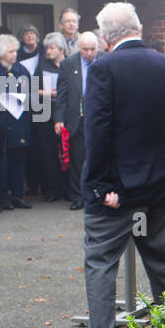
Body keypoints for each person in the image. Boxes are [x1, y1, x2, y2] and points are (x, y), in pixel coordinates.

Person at [68, 2, 165, 328]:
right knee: (160, 258)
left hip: (117, 192)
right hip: (161, 186)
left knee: (101, 263)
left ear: (105, 37)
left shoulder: (104, 67)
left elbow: (97, 131)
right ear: (138, 26)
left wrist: (99, 184)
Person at [0, 34, 33, 212]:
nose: (14, 55)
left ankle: (18, 195)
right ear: (1, 52)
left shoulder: (20, 69)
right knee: (1, 161)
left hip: (19, 120)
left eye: (15, 51)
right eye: (10, 51)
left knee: (19, 159)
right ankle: (2, 196)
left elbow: (30, 89)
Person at [52, 31, 99, 210]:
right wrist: (58, 119)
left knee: (96, 158)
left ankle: (95, 193)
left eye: (92, 49)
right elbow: (61, 96)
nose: (89, 53)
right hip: (77, 118)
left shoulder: (104, 60)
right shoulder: (67, 64)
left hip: (98, 119)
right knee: (77, 159)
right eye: (85, 49)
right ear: (79, 48)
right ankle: (78, 196)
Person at [30, 32, 66, 202]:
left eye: (52, 48)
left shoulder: (68, 65)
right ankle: (51, 189)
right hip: (45, 112)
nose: (48, 51)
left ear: (61, 49)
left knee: (66, 150)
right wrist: (48, 92)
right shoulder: (43, 66)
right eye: (47, 48)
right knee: (48, 151)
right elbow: (33, 89)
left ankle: (67, 188)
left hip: (64, 112)